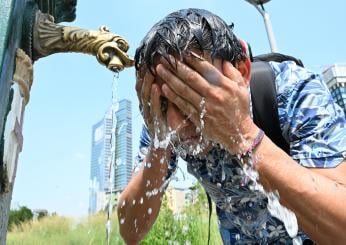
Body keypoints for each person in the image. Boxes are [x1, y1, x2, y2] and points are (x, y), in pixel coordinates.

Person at [117, 8, 346, 245]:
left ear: (242, 71)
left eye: (194, 94)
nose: (176, 123)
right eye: (165, 102)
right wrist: (159, 146)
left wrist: (243, 134)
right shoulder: (163, 125)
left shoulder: (294, 91)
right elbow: (131, 231)